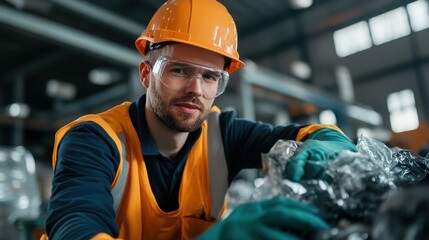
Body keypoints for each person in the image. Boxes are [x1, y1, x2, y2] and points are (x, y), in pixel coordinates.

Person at [42, 0, 357, 239]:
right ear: (146, 74)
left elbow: (318, 133)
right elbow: (75, 227)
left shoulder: (222, 133)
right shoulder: (92, 140)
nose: (196, 89)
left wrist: (323, 147)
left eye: (210, 77)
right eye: (178, 70)